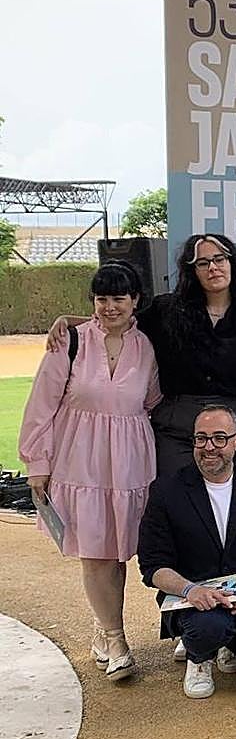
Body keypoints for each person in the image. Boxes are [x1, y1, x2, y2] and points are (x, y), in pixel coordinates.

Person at [20, 262, 161, 681]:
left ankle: (103, 632)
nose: (110, 306)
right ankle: (116, 638)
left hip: (133, 461)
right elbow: (41, 406)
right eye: (101, 299)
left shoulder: (147, 347)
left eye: (119, 298)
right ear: (92, 302)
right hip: (81, 460)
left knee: (122, 551)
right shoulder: (71, 341)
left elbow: (151, 401)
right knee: (97, 553)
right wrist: (38, 465)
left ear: (135, 300)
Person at [49, 234, 236, 479]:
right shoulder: (166, 310)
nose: (213, 268)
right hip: (177, 430)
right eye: (202, 262)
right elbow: (121, 322)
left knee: (229, 508)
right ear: (192, 270)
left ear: (232, 263)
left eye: (219, 259)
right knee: (177, 505)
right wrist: (68, 321)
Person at [137, 405, 236, 699]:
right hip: (195, 602)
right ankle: (200, 658)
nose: (209, 447)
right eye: (201, 438)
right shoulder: (166, 491)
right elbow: (152, 565)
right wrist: (190, 590)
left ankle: (230, 642)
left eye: (219, 438)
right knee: (209, 627)